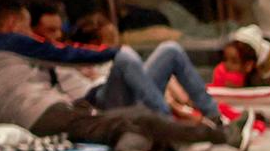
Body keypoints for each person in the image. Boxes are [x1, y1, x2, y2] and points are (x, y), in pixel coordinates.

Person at [0, 2, 217, 151]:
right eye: (27, 26)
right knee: (127, 70)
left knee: (167, 53)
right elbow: (64, 55)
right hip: (77, 104)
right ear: (12, 24)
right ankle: (186, 133)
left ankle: (211, 121)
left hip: (58, 110)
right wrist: (112, 52)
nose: (31, 34)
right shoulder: (13, 44)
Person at [75, 11, 233, 129]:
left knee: (170, 49)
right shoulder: (76, 61)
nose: (114, 45)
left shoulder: (120, 56)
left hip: (138, 95)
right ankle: (171, 127)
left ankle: (215, 116)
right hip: (105, 101)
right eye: (109, 41)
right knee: (126, 56)